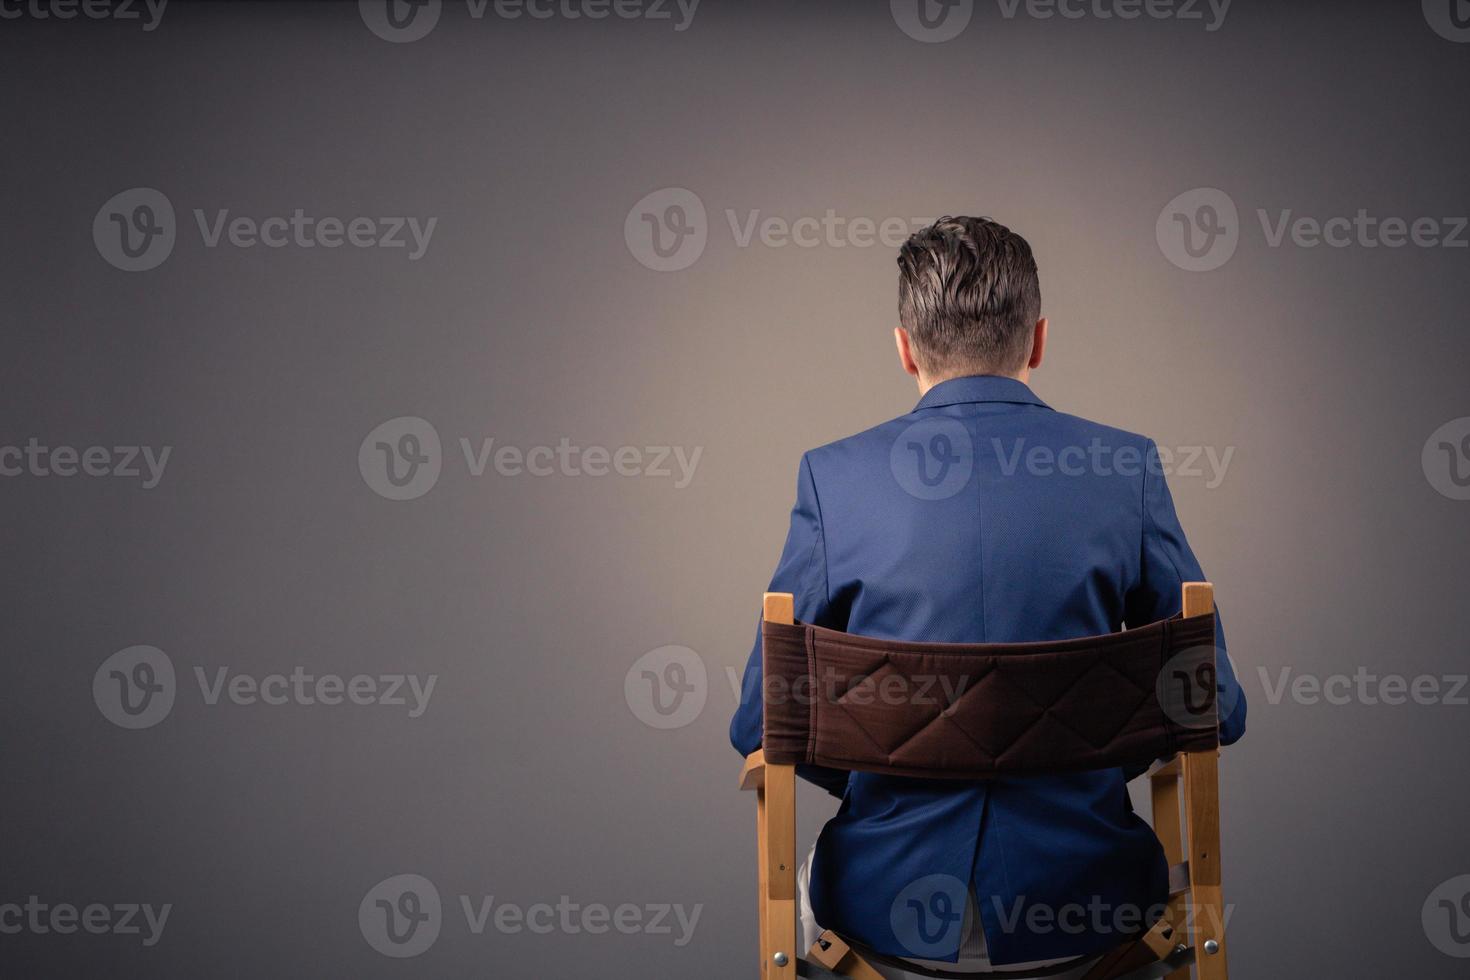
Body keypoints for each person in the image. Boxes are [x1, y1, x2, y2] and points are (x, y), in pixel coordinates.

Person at [729, 216, 1247, 978]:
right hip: (1090, 905)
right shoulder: (1125, 469)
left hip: (889, 905)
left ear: (904, 346)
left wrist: (899, 749)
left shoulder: (833, 480)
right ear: (1038, 340)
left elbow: (760, 721)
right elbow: (1217, 708)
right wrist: (1081, 747)